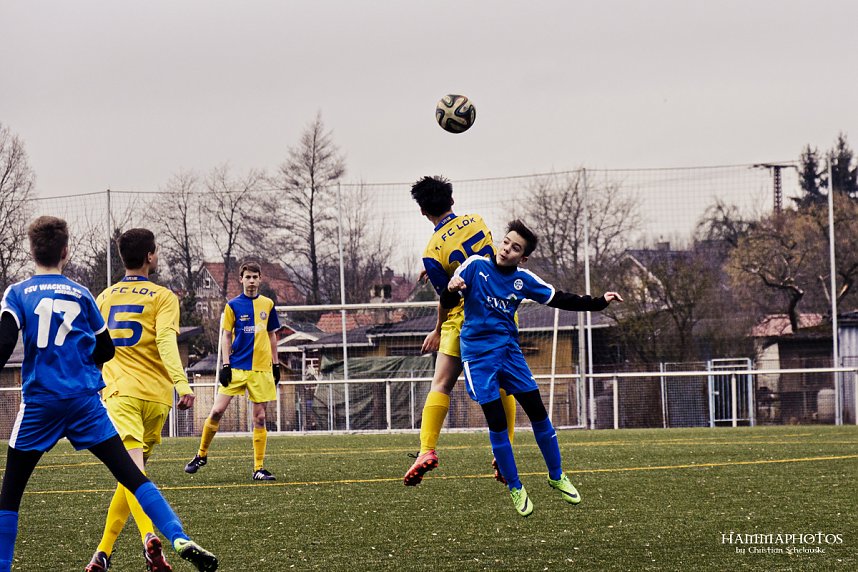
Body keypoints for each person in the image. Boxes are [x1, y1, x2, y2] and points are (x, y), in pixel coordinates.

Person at [0, 216, 218, 571]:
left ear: (31, 250)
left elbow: (6, 344)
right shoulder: (82, 294)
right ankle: (175, 535)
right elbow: (106, 349)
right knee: (133, 475)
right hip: (92, 401)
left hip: (47, 402)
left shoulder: (19, 293)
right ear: (66, 252)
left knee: (11, 492)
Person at [439, 219, 622, 517]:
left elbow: (560, 298)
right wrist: (451, 288)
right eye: (506, 242)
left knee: (538, 413)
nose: (507, 249)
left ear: (522, 258)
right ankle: (514, 486)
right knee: (497, 422)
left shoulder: (523, 279)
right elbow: (447, 299)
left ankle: (557, 475)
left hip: (510, 353)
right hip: (477, 357)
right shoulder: (474, 266)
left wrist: (599, 302)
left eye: (515, 248)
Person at [86, 229, 197, 572]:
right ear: (150, 256)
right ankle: (102, 553)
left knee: (132, 474)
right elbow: (166, 341)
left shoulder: (103, 298)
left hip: (121, 396)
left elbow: (91, 348)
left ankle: (149, 538)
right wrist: (182, 384)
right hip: (156, 399)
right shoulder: (163, 297)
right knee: (131, 476)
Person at [403, 176, 518, 486]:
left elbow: (448, 298)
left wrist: (437, 329)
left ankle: (427, 450)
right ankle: (503, 452)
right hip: (497, 312)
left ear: (423, 212)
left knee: (441, 384)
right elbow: (488, 261)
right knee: (503, 383)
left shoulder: (432, 250)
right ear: (451, 201)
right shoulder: (476, 220)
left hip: (463, 321)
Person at [185, 262, 281, 481]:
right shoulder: (232, 305)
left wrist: (276, 365)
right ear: (241, 279)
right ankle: (201, 455)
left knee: (260, 418)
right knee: (217, 411)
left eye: (255, 277)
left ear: (260, 279)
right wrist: (225, 365)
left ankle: (259, 468)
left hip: (261, 370)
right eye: (248, 277)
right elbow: (226, 336)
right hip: (237, 367)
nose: (252, 281)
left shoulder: (268, 304)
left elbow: (272, 335)